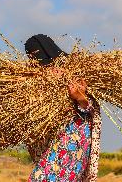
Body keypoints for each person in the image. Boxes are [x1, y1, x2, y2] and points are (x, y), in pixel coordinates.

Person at [25, 34, 102, 182]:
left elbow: (89, 108)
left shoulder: (75, 72)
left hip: (72, 144)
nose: (36, 60)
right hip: (56, 147)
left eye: (36, 53)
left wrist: (79, 96)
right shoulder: (37, 80)